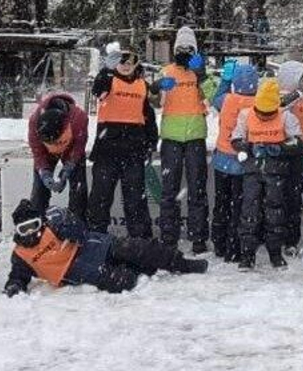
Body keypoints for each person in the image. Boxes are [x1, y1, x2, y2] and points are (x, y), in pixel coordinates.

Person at [4, 200, 206, 295]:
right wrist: (14, 286)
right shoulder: (20, 255)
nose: (31, 233)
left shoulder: (54, 222)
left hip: (94, 247)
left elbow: (80, 231)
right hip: (79, 272)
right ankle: (143, 268)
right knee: (124, 281)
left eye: (34, 226)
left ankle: (182, 263)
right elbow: (17, 275)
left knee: (139, 248)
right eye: (24, 229)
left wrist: (67, 227)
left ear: (41, 222)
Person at [232, 79, 303, 270]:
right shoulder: (245, 115)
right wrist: (248, 147)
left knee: (276, 211)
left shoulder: (286, 117)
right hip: (252, 170)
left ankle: (275, 252)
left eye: (268, 113)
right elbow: (235, 139)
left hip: (277, 171)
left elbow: (298, 143)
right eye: (261, 113)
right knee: (249, 211)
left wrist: (280, 148)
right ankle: (247, 254)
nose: (264, 117)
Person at [88, 46, 156, 238]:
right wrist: (106, 70)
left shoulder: (142, 86)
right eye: (122, 62)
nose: (126, 66)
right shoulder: (108, 81)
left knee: (135, 200)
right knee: (100, 198)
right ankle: (95, 239)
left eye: (130, 62)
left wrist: (152, 142)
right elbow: (97, 88)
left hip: (133, 151)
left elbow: (148, 118)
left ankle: (141, 242)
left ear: (136, 65)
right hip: (107, 150)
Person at [156, 26, 209, 251]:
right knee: (169, 190)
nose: (184, 53)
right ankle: (169, 238)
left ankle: (198, 238)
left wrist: (202, 76)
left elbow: (214, 97)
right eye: (181, 49)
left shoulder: (199, 72)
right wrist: (156, 88)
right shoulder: (166, 71)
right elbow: (155, 100)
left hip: (196, 135)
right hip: (171, 138)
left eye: (189, 49)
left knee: (197, 189)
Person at [210, 63, 258, 262]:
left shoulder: (226, 100)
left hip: (222, 161)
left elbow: (215, 98)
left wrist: (225, 80)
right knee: (239, 207)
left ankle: (219, 244)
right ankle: (234, 247)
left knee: (222, 204)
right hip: (244, 164)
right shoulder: (257, 104)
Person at [26, 92, 88, 220]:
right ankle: (36, 223)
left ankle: (77, 223)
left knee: (78, 188)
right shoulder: (33, 122)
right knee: (39, 190)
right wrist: (44, 172)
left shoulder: (79, 118)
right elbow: (38, 152)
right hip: (46, 154)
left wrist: (69, 167)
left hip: (70, 149)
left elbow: (79, 145)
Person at [277, 60, 303, 252]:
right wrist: (297, 94)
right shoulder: (283, 97)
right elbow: (279, 108)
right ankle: (290, 239)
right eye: (302, 77)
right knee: (291, 196)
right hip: (291, 151)